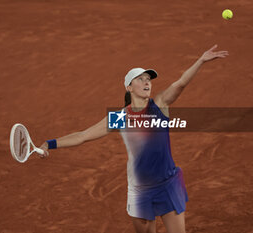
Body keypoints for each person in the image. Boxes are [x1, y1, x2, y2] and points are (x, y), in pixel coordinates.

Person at [39, 44, 228, 233]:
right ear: (129, 87)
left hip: (168, 183)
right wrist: (50, 143)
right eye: (141, 79)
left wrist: (201, 61)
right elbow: (83, 136)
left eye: (148, 79)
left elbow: (180, 83)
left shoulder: (160, 104)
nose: (147, 82)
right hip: (140, 190)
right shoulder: (121, 117)